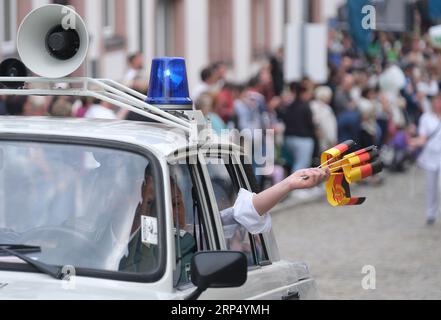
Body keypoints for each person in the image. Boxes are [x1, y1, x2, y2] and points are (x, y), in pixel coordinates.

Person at [411, 94, 441, 225]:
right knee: (431, 187)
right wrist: (414, 142)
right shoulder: (426, 118)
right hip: (430, 157)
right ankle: (430, 213)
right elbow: (423, 138)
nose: (437, 104)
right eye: (436, 101)